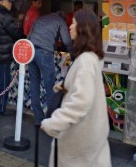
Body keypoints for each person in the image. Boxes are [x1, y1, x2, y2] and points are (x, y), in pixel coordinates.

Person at [41, 9, 111, 167]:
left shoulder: (85, 61)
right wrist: (66, 86)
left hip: (79, 142)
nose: (70, 26)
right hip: (90, 137)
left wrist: (55, 122)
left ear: (82, 28)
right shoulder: (92, 57)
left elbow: (81, 101)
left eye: (73, 23)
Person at [28, 11, 72, 126]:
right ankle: (52, 120)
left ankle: (38, 118)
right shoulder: (60, 21)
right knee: (50, 87)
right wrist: (73, 54)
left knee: (34, 85)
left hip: (31, 51)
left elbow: (29, 36)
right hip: (44, 53)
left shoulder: (40, 18)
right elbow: (66, 41)